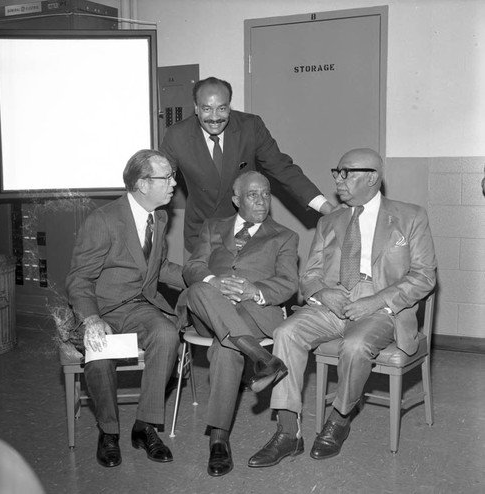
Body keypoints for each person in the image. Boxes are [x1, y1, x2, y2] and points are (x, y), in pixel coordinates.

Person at [248, 148, 437, 467]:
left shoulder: (410, 216)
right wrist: (322, 292)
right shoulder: (330, 221)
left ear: (372, 177)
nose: (338, 180)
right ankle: (287, 433)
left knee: (356, 344)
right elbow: (309, 274)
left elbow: (424, 276)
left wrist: (374, 301)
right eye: (337, 172)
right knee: (286, 332)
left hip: (382, 304)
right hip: (334, 300)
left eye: (346, 172)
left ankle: (339, 419)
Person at [66, 149, 185, 468]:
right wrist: (91, 320)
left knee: (166, 333)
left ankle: (144, 427)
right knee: (100, 358)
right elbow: (79, 279)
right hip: (100, 310)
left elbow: (157, 268)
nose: (174, 183)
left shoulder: (158, 217)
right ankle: (108, 432)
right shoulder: (103, 220)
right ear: (143, 184)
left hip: (136, 306)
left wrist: (199, 277)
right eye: (167, 177)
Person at [179, 171, 299, 477]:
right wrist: (214, 282)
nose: (262, 200)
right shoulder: (213, 227)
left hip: (253, 312)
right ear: (236, 199)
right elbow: (193, 267)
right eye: (252, 195)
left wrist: (253, 291)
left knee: (225, 348)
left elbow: (287, 284)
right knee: (197, 288)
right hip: (209, 310)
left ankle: (218, 441)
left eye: (266, 194)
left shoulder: (284, 236)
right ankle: (264, 359)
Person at [159, 76, 333, 254]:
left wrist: (327, 209)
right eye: (207, 109)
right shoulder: (177, 136)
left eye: (222, 108)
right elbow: (160, 181)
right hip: (201, 236)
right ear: (196, 108)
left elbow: (282, 168)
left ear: (229, 107)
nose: (214, 117)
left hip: (247, 232)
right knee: (203, 282)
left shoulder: (250, 127)